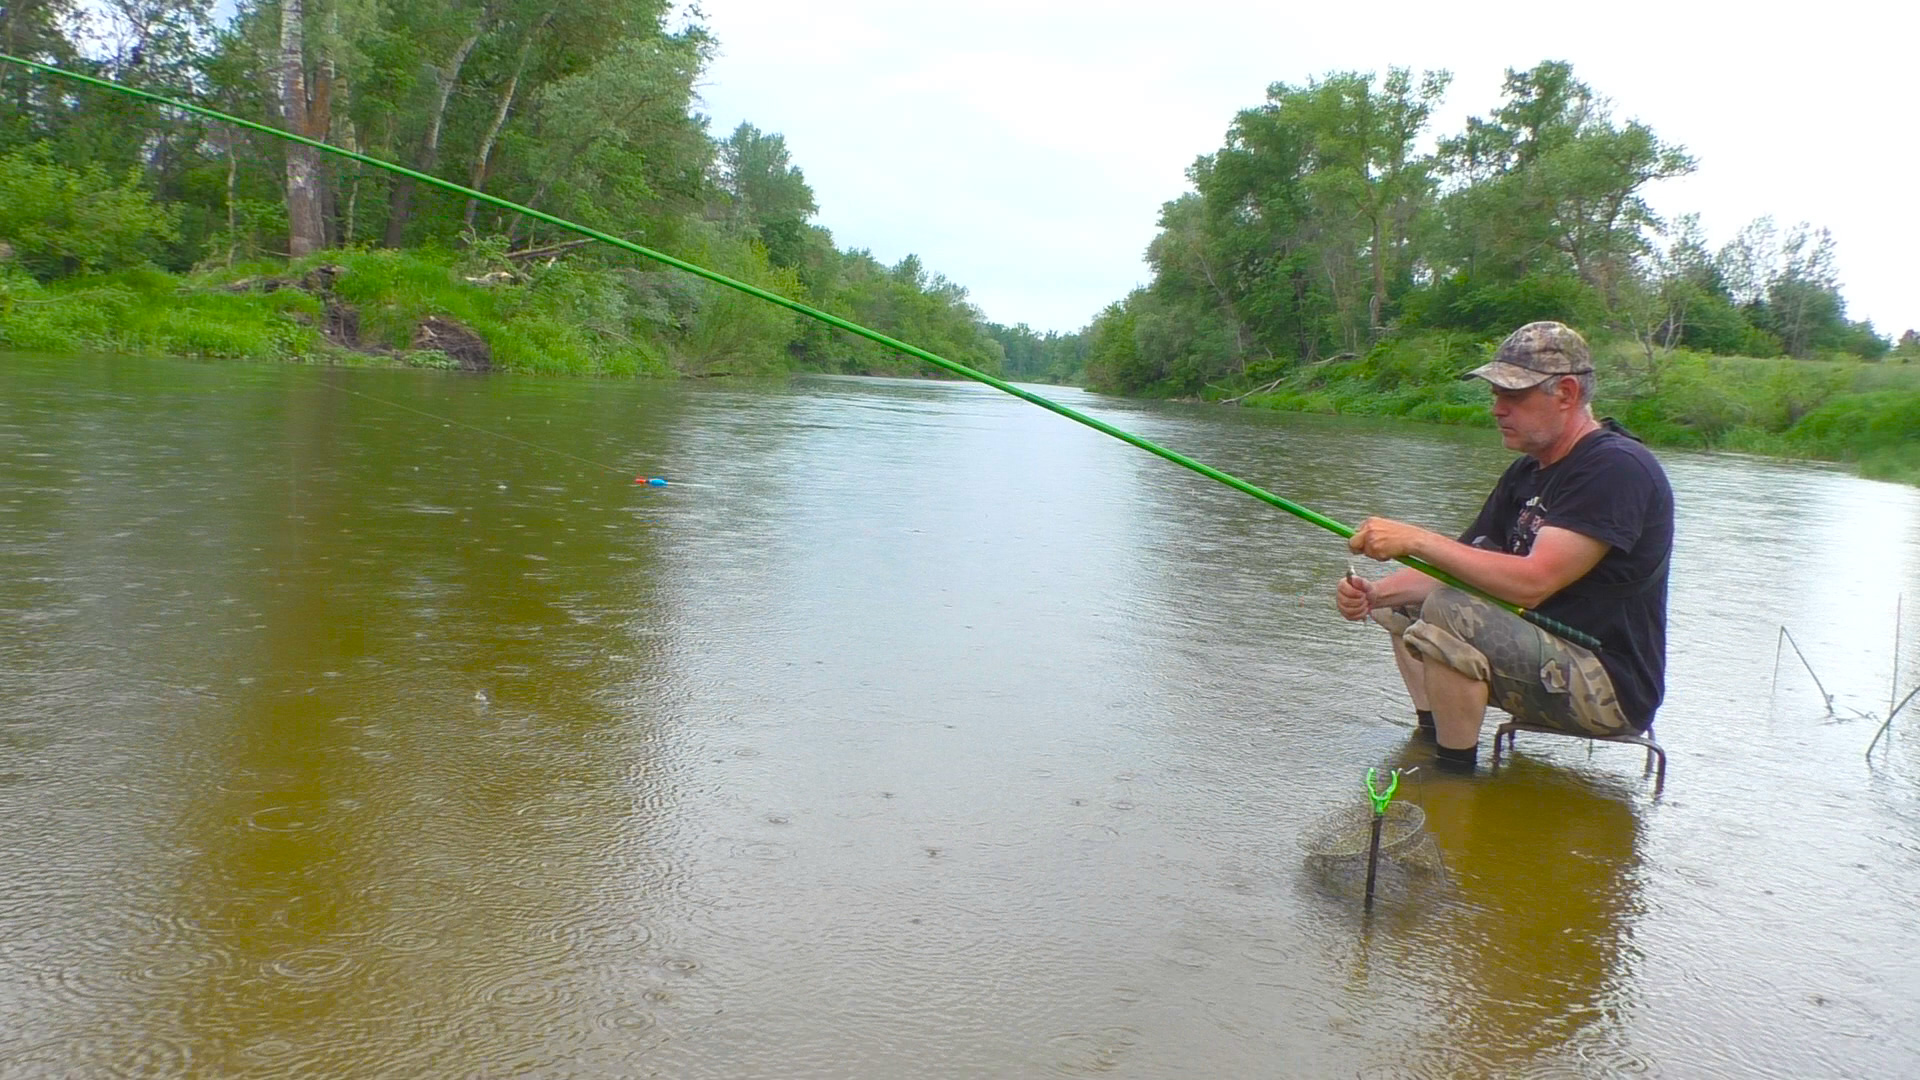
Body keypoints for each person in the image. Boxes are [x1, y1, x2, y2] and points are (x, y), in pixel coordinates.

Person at [1334, 321, 1674, 774]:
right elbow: (1455, 567)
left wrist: (1416, 539)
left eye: (1512, 397)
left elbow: (1534, 582)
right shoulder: (1526, 473)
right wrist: (1373, 594)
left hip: (1609, 687)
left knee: (1448, 609)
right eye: (1495, 395)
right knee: (1401, 605)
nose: (1496, 409)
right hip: (1547, 654)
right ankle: (1429, 740)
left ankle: (1451, 778)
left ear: (1567, 393)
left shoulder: (1616, 468)